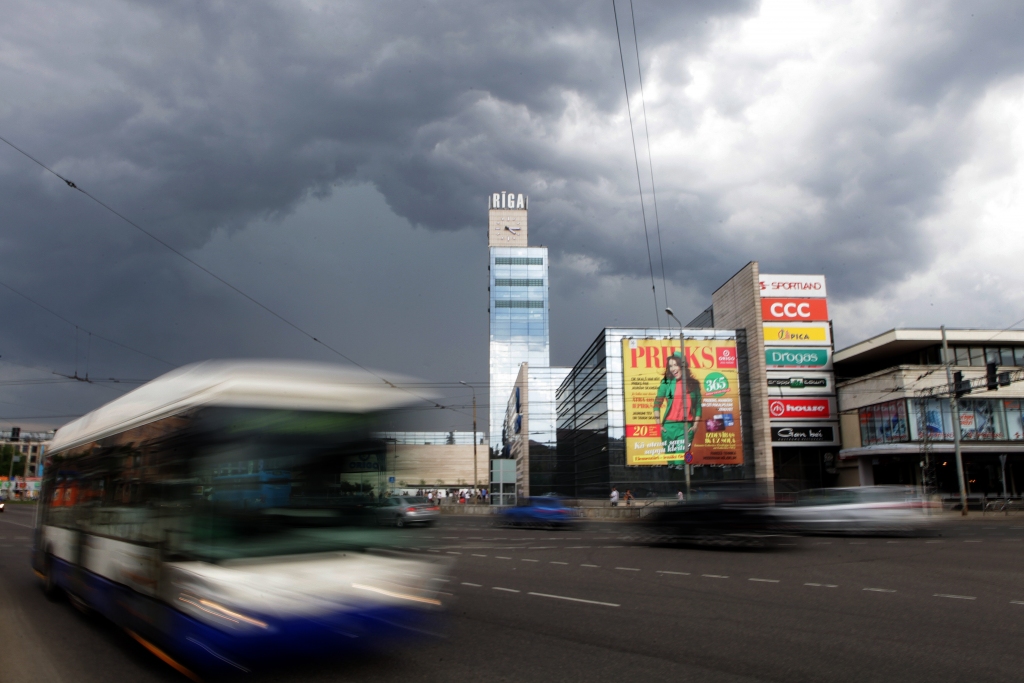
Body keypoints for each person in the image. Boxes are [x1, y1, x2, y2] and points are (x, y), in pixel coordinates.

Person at [653, 352, 702, 464]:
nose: (673, 369)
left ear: (683, 366)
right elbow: (657, 403)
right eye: (670, 366)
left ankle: (684, 480)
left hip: (685, 428)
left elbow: (698, 406)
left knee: (680, 463)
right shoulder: (666, 383)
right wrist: (658, 425)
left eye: (675, 365)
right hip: (668, 428)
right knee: (671, 464)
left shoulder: (693, 384)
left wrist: (695, 426)